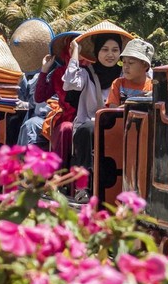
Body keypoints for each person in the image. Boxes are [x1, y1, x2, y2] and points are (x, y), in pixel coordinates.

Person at [63, 31, 125, 200]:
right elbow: (69, 83)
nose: (110, 54)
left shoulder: (124, 74)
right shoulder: (86, 73)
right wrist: (75, 51)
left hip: (117, 127)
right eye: (105, 50)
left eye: (115, 50)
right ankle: (82, 187)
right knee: (88, 129)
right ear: (97, 52)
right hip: (88, 126)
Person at [34, 32, 80, 165]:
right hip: (66, 120)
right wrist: (44, 70)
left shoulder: (90, 71)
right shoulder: (59, 73)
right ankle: (59, 175)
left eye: (79, 47)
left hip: (88, 119)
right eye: (72, 47)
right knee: (66, 128)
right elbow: (39, 97)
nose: (76, 51)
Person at [106, 38, 155, 107]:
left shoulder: (152, 87)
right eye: (124, 62)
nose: (125, 67)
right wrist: (134, 102)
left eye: (131, 63)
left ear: (145, 65)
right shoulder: (118, 84)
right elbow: (112, 112)